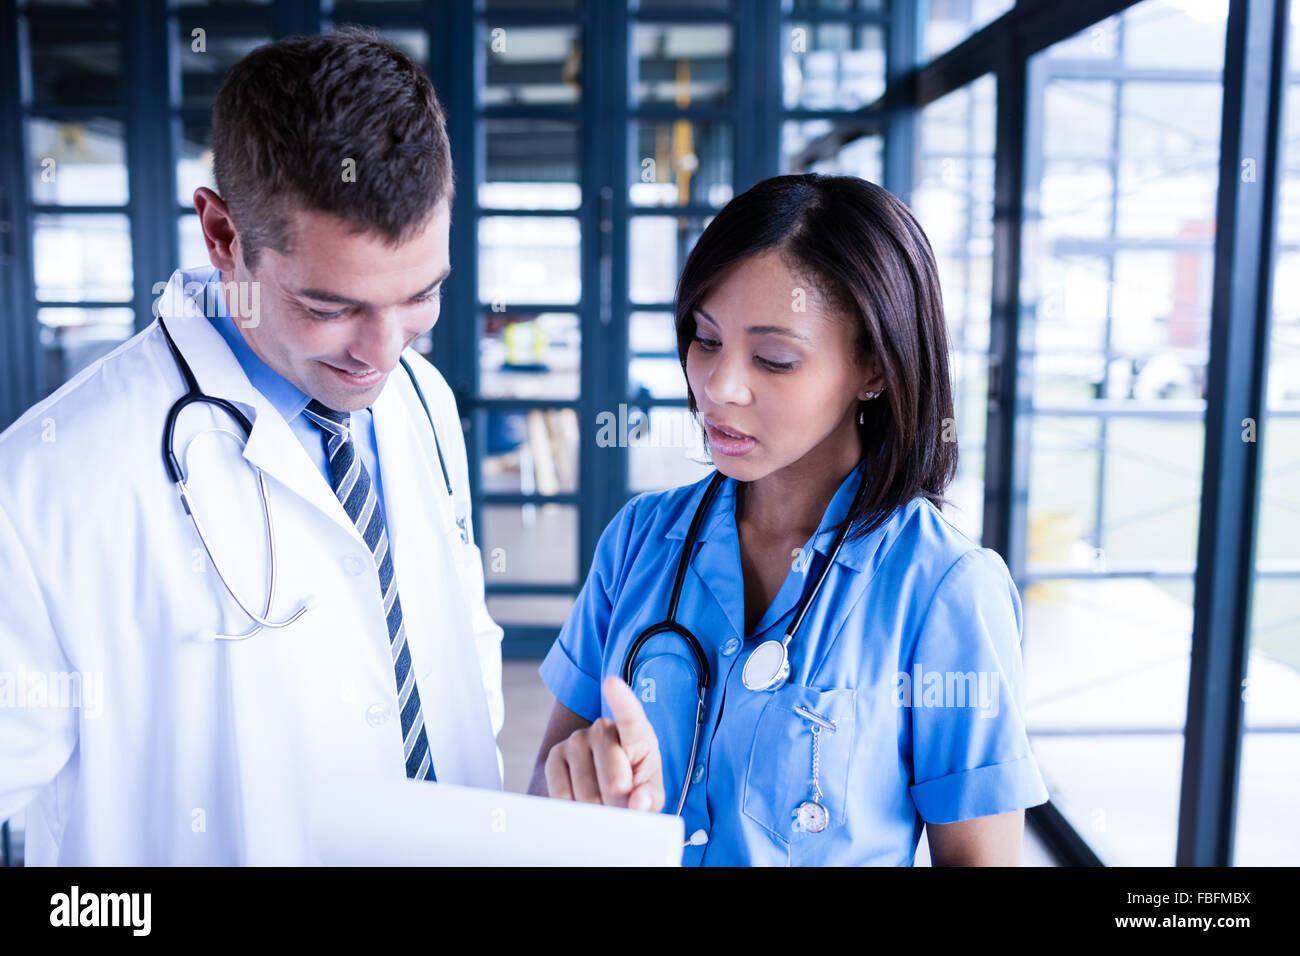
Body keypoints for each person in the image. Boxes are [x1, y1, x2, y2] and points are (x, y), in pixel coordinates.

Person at [0, 27, 504, 865]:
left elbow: (457, 638)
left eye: (422, 295)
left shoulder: (423, 399)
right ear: (223, 235)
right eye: (329, 305)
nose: (382, 355)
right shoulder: (43, 486)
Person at [529, 173, 1050, 866]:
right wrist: (586, 795)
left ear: (873, 367)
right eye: (706, 340)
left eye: (774, 359)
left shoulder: (944, 589)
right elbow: (541, 792)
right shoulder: (638, 540)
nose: (718, 387)